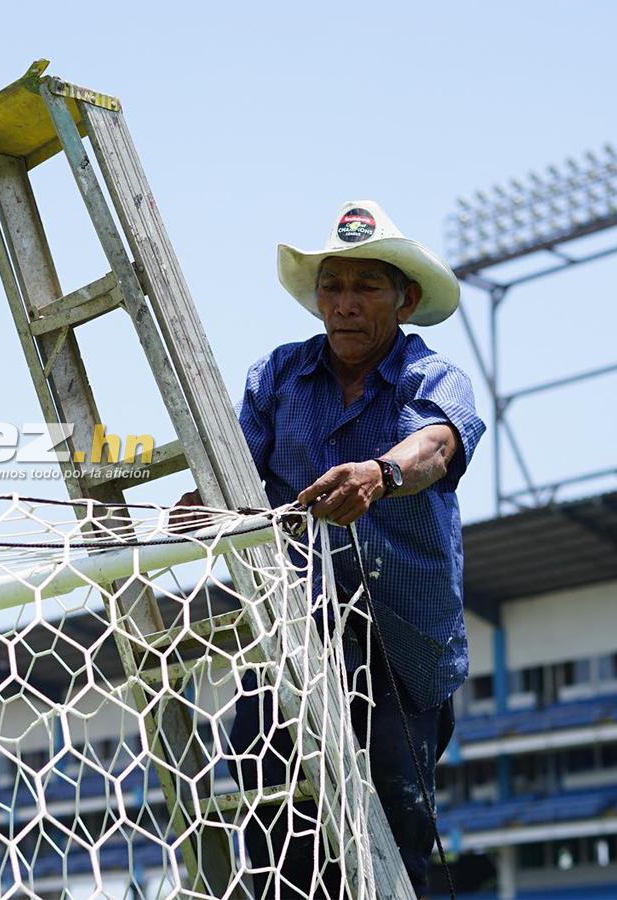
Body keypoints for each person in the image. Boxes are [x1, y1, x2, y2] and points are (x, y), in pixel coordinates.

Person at [177, 200, 485, 897]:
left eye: (365, 287)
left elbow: (436, 445)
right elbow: (231, 476)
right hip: (296, 637)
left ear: (404, 299)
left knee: (391, 840)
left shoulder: (432, 379)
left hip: (402, 650)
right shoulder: (276, 379)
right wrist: (202, 505)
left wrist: (382, 474)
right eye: (332, 287)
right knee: (276, 821)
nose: (345, 304)